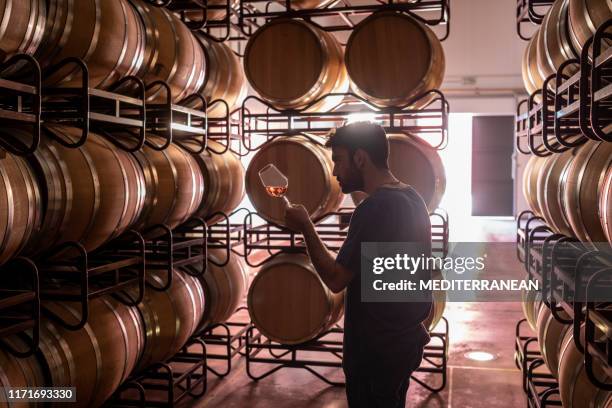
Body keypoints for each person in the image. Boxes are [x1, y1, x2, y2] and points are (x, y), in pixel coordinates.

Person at [284, 122, 433, 407]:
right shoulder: (411, 197)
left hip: (375, 352)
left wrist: (305, 226)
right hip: (403, 343)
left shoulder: (374, 207)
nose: (335, 171)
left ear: (360, 158)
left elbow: (336, 278)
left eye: (338, 160)